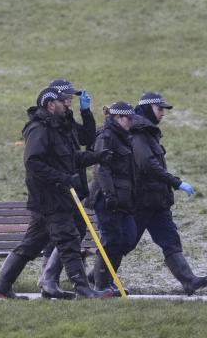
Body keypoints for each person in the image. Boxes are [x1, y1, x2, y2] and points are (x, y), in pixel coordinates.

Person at [0, 86, 111, 299]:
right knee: (69, 239)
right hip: (50, 198)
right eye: (63, 99)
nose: (67, 103)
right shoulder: (39, 128)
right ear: (50, 104)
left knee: (32, 244)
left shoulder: (58, 126)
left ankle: (2, 287)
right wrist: (62, 178)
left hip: (56, 196)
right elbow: (33, 162)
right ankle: (83, 289)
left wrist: (98, 157)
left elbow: (72, 157)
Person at [130, 91, 207, 295]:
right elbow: (148, 165)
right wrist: (176, 183)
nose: (162, 113)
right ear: (147, 108)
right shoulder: (139, 134)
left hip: (157, 202)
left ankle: (189, 281)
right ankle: (97, 279)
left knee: (170, 240)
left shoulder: (148, 133)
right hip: (142, 201)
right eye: (159, 109)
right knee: (124, 243)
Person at [36, 79, 97, 298]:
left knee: (69, 234)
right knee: (61, 237)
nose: (72, 100)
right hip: (59, 190)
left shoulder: (67, 119)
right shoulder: (50, 124)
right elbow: (37, 161)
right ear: (57, 100)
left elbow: (88, 138)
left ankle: (47, 280)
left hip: (73, 185)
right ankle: (48, 280)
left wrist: (87, 112)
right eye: (68, 96)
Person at [87, 100, 138, 293]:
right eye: (128, 118)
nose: (131, 122)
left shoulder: (125, 137)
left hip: (123, 200)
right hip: (107, 199)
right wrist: (110, 196)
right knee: (112, 240)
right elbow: (101, 169)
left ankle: (99, 276)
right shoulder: (106, 136)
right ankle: (102, 286)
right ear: (117, 117)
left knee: (128, 238)